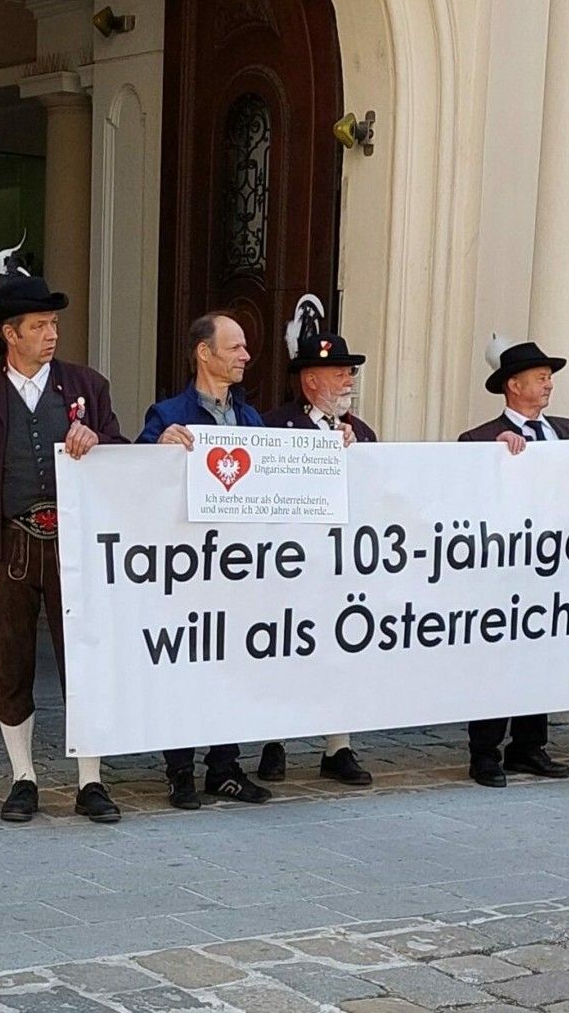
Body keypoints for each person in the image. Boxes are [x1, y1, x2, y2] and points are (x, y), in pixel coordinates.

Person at [0, 248, 126, 824]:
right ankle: (24, 777)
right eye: (39, 326)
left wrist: (98, 441)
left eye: (54, 323)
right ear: (10, 334)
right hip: (6, 546)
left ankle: (91, 781)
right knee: (10, 663)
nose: (51, 333)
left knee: (82, 660)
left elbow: (122, 455)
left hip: (76, 546)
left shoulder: (88, 385)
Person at [459, 339, 569, 787]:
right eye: (539, 376)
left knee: (541, 655)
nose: (549, 382)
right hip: (504, 571)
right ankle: (485, 751)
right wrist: (491, 455)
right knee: (497, 658)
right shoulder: (479, 438)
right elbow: (463, 491)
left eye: (549, 375)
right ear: (514, 386)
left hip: (558, 566)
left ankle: (529, 746)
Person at [140, 312, 273, 809]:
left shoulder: (251, 417)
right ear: (204, 352)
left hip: (239, 567)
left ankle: (225, 767)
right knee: (186, 667)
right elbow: (133, 476)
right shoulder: (168, 412)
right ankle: (180, 771)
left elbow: (285, 469)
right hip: (188, 567)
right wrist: (159, 446)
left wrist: (334, 445)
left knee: (233, 665)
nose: (245, 356)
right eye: (235, 347)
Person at [260, 295, 375, 787]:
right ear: (310, 380)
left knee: (342, 649)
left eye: (350, 373)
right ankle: (274, 742)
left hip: (342, 563)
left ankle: (338, 744)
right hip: (290, 560)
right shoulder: (275, 425)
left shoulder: (363, 432)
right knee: (283, 649)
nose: (349, 380)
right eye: (340, 373)